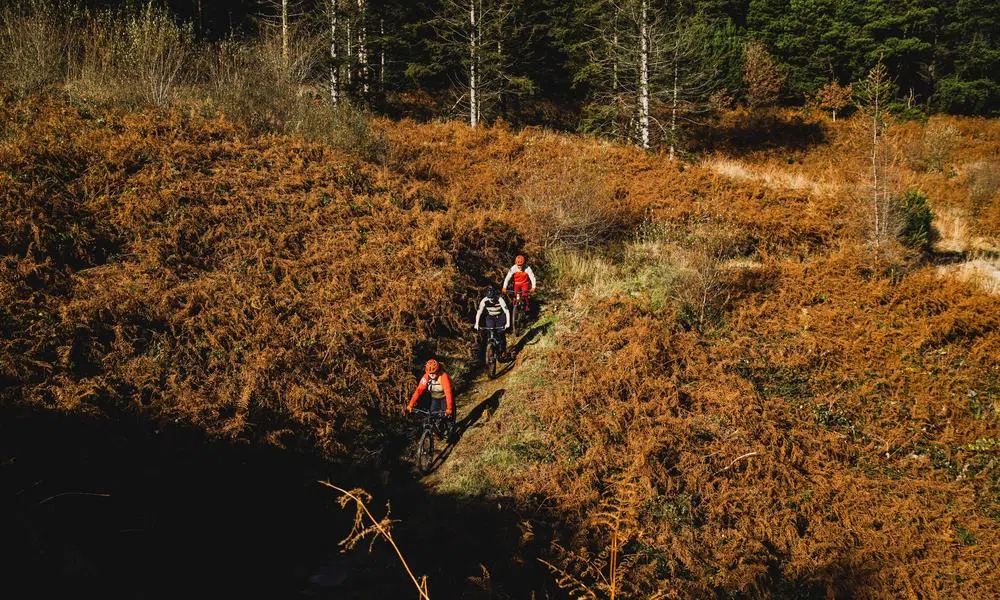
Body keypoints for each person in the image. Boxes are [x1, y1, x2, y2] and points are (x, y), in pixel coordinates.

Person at [406, 359, 455, 436]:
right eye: (430, 373)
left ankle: (450, 429)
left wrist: (449, 408)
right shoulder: (426, 377)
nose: (431, 375)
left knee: (445, 416)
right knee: (432, 415)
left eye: (433, 373)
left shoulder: (443, 376)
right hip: (435, 398)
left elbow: (448, 393)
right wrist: (411, 404)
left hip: (445, 397)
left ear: (438, 371)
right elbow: (419, 390)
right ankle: (437, 432)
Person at [474, 286, 510, 362]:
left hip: (500, 316)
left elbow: (506, 311)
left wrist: (508, 323)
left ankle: (503, 351)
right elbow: (479, 312)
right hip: (490, 317)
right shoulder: (484, 301)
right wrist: (476, 323)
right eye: (490, 298)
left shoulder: (500, 299)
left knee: (501, 333)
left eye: (493, 298)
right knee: (490, 331)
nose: (492, 300)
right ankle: (490, 349)